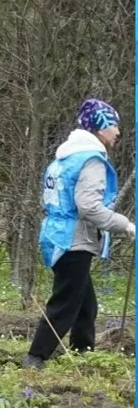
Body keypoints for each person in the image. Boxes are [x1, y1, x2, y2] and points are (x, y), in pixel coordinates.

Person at [24, 98, 135, 370]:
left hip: (56, 236)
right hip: (73, 240)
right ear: (100, 126)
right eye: (114, 124)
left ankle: (83, 352)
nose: (118, 131)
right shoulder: (91, 160)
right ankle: (35, 357)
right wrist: (126, 225)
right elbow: (89, 207)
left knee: (86, 304)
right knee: (65, 303)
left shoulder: (64, 159)